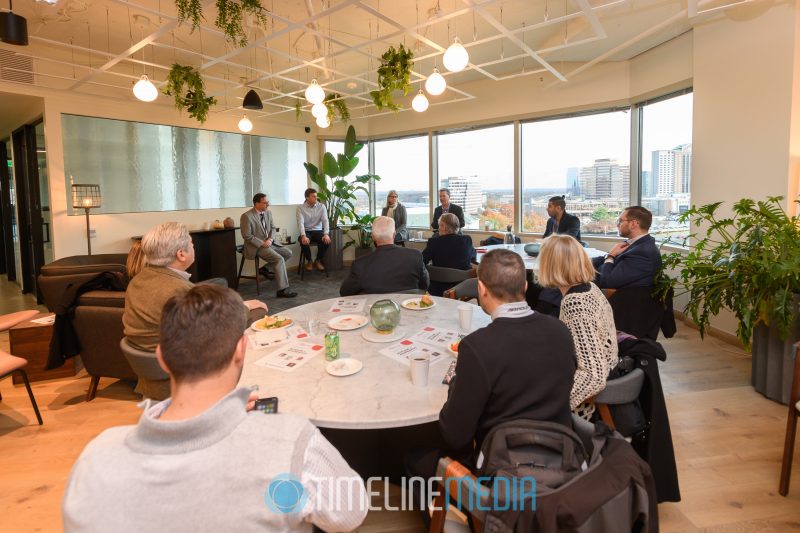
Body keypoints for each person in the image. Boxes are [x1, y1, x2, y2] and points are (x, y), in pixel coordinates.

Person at [64, 285, 368, 532]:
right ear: (241, 350)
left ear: (161, 357)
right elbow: (350, 513)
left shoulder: (94, 460)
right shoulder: (291, 441)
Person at [123, 222, 267, 374]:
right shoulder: (181, 291)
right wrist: (245, 307)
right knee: (256, 313)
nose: (194, 248)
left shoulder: (137, 281)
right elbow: (218, 328)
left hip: (151, 371)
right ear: (181, 254)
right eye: (191, 244)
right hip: (185, 373)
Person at [539, 235, 618, 420]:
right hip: (610, 365)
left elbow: (593, 375)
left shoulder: (575, 303)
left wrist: (548, 407)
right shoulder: (589, 288)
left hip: (587, 395)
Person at [340, 216, 429, 296]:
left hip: (374, 311)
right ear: (394, 234)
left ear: (373, 236)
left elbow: (345, 292)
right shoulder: (415, 256)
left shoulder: (360, 264)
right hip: (409, 308)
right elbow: (425, 285)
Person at [241, 193, 297, 298]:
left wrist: (270, 239)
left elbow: (273, 228)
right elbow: (247, 236)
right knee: (279, 259)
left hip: (270, 243)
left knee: (288, 253)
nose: (268, 204)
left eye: (268, 202)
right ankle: (282, 290)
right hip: (256, 246)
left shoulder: (268, 213)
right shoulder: (246, 216)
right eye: (265, 203)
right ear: (256, 203)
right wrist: (263, 243)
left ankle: (265, 269)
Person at [592, 206, 661, 289]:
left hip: (618, 298)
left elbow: (607, 282)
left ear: (633, 224)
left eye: (620, 221)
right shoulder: (636, 244)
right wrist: (581, 262)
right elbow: (609, 261)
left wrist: (610, 256)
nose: (617, 225)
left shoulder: (643, 252)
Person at [422, 213, 475, 296]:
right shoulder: (467, 240)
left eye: (439, 225)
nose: (438, 228)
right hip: (462, 287)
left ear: (443, 226)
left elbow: (422, 260)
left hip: (438, 287)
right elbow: (473, 256)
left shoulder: (434, 242)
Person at [296, 188, 330, 272]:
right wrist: (303, 236)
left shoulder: (321, 206)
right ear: (307, 198)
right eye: (313, 196)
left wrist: (326, 234)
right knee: (303, 241)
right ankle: (309, 261)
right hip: (306, 231)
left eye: (316, 196)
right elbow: (300, 223)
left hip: (317, 231)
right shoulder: (300, 208)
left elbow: (325, 221)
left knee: (326, 241)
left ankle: (318, 260)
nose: (316, 198)